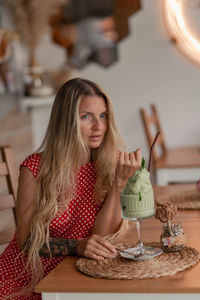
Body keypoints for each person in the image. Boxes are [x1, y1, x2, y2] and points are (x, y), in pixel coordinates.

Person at [0, 78, 142, 299]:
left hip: (76, 275)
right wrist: (77, 246)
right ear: (66, 121)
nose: (99, 126)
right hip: (26, 279)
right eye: (86, 117)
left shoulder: (109, 164)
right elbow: (26, 242)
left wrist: (119, 184)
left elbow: (101, 237)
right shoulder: (35, 168)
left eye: (103, 116)